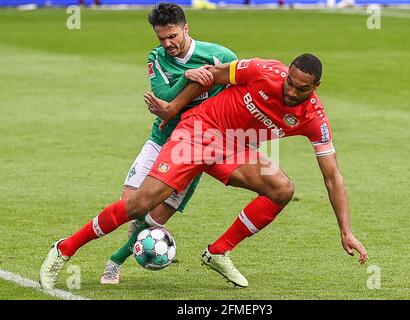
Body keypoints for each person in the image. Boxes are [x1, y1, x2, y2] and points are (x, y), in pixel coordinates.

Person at [40, 53, 368, 290]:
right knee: (140, 205)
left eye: (302, 89)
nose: (291, 92)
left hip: (234, 147)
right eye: (290, 83)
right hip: (197, 132)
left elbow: (332, 176)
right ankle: (64, 249)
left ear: (317, 86)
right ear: (286, 74)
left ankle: (217, 253)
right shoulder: (261, 70)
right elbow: (210, 75)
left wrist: (346, 230)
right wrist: (173, 107)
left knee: (281, 188)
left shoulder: (315, 118)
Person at [98, 2, 237, 284]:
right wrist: (188, 77)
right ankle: (132, 237)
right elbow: (164, 99)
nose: (168, 43)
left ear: (186, 28)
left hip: (193, 149)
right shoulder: (157, 56)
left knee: (155, 219)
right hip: (161, 140)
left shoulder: (221, 55)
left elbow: (236, 94)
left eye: (173, 36)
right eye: (161, 37)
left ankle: (114, 262)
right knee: (129, 206)